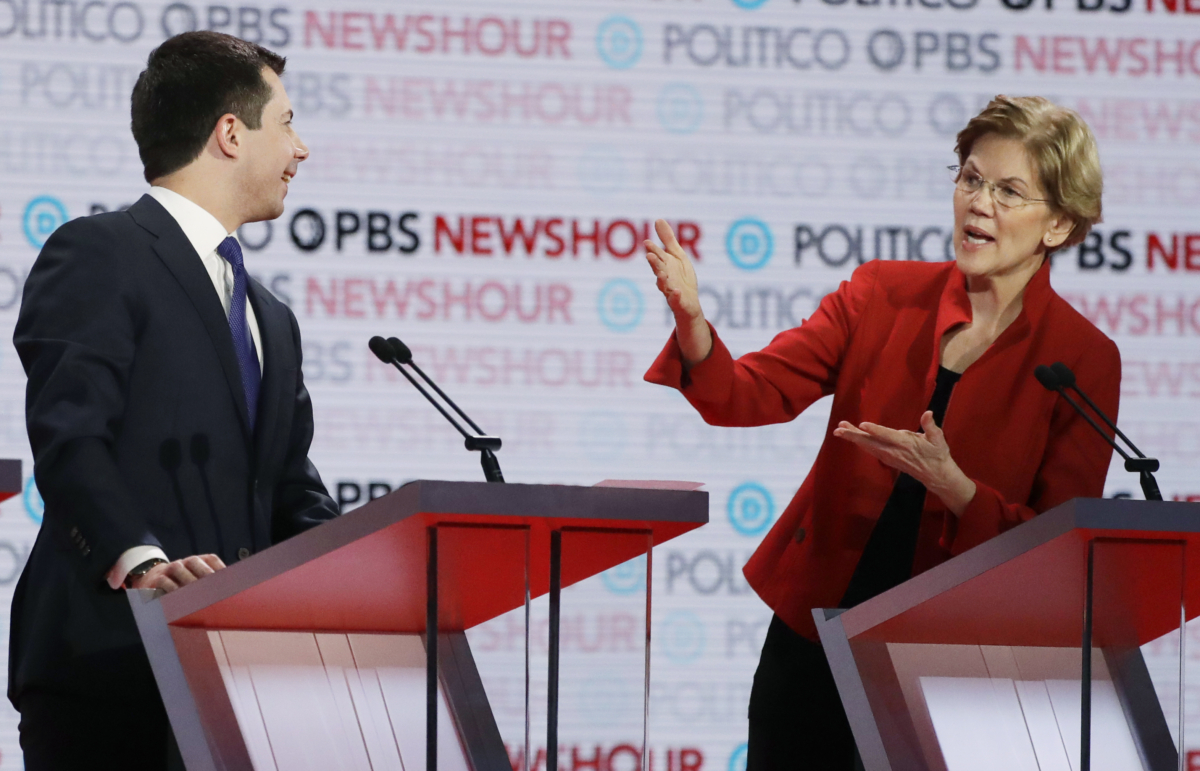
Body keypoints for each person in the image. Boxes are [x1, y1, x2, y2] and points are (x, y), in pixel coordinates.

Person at [642, 95, 1120, 769]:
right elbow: (751, 394)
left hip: (958, 665)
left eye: (1009, 191)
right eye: (971, 179)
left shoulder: (1082, 359)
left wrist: (958, 491)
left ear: (1059, 224)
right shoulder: (881, 293)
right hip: (816, 643)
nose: (978, 202)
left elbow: (1058, 554)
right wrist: (693, 322)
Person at [9, 31, 340, 770]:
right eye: (286, 122)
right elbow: (71, 437)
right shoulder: (98, 251)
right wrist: (142, 561)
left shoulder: (272, 319)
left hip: (240, 683)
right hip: (111, 665)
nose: (302, 147)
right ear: (231, 132)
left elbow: (289, 489)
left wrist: (370, 580)